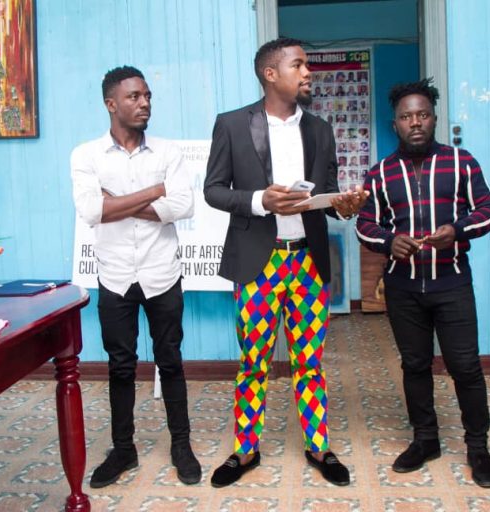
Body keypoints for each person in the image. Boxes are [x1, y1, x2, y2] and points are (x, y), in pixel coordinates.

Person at [203, 37, 367, 488]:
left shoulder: (320, 130)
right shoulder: (232, 125)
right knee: (254, 362)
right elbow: (213, 190)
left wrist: (344, 206)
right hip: (259, 263)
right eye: (298, 65)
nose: (307, 72)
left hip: (308, 265)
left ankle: (319, 446)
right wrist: (261, 200)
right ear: (270, 74)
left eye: (307, 65)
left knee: (309, 362)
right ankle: (245, 450)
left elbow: (327, 196)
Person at [355, 77, 490, 488]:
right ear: (395, 124)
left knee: (465, 367)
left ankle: (478, 448)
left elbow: (489, 211)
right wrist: (389, 241)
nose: (415, 122)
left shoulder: (462, 162)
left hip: (451, 283)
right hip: (403, 289)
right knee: (415, 365)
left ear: (434, 118)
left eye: (422, 114)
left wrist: (458, 230)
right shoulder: (380, 174)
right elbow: (365, 225)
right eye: (406, 117)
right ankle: (426, 440)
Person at [70, 66, 201, 488]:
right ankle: (123, 450)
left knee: (171, 361)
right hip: (115, 276)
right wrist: (154, 191)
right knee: (120, 366)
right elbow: (92, 211)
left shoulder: (168, 152)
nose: (145, 103)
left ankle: (181, 445)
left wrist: (119, 202)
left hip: (163, 271)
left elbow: (183, 206)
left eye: (147, 96)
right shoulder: (86, 155)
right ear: (111, 104)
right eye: (134, 97)